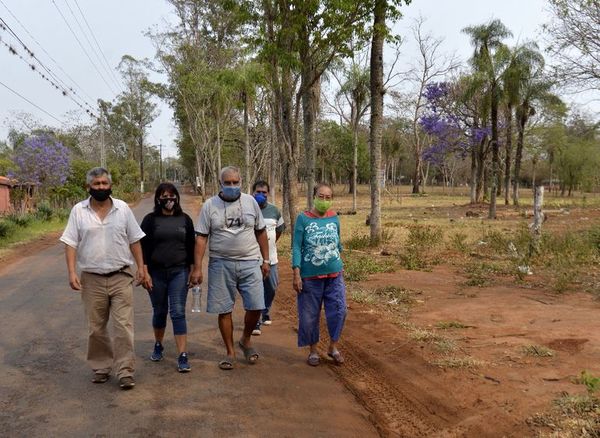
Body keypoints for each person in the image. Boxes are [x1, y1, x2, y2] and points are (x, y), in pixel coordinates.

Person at [60, 167, 145, 389]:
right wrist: (71, 272)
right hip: (92, 279)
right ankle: (101, 367)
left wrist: (141, 267)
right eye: (96, 184)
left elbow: (135, 239)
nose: (101, 187)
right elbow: (70, 242)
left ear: (110, 185)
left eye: (104, 183)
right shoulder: (78, 211)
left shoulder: (123, 209)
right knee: (96, 327)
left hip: (121, 276)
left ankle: (125, 371)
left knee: (123, 326)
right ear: (88, 187)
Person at [190, 166, 270, 370]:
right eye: (228, 183)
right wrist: (197, 268)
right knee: (224, 309)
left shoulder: (250, 202)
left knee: (256, 306)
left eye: (236, 182)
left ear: (241, 181)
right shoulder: (210, 206)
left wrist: (266, 260)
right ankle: (230, 352)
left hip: (251, 261)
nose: (232, 186)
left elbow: (261, 232)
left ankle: (245, 339)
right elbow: (201, 238)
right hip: (220, 263)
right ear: (220, 184)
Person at [140, 183, 196, 373]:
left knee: (178, 311)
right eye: (165, 196)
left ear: (177, 198)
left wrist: (194, 269)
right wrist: (144, 271)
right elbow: (143, 248)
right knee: (160, 310)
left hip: (179, 272)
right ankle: (158, 344)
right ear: (158, 199)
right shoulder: (150, 220)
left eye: (172, 196)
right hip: (156, 273)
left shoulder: (185, 220)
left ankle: (182, 354)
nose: (169, 200)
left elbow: (191, 246)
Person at [292, 182, 347, 366]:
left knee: (339, 311)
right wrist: (296, 273)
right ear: (314, 197)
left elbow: (338, 242)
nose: (324, 200)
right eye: (321, 196)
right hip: (310, 278)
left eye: (328, 197)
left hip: (334, 276)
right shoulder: (303, 219)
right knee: (309, 315)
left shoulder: (334, 218)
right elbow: (297, 248)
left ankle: (333, 347)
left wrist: (340, 261)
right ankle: (313, 350)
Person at [251, 180, 285, 336]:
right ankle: (256, 321)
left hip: (271, 258)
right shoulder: (248, 209)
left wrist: (268, 245)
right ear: (253, 192)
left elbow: (279, 230)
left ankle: (265, 310)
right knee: (255, 289)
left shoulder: (274, 211)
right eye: (258, 192)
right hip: (251, 259)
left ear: (268, 193)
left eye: (264, 192)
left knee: (271, 287)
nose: (261, 195)